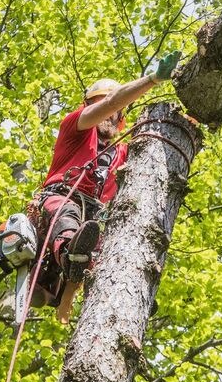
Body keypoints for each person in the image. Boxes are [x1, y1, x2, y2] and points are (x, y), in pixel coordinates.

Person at [28, 52, 180, 320]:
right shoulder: (74, 127)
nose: (107, 114)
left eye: (113, 113)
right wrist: (153, 79)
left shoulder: (123, 153)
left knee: (106, 246)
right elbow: (109, 103)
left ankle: (129, 291)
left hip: (94, 217)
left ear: (120, 120)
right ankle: (67, 258)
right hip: (61, 198)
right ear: (87, 106)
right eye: (99, 106)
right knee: (67, 217)